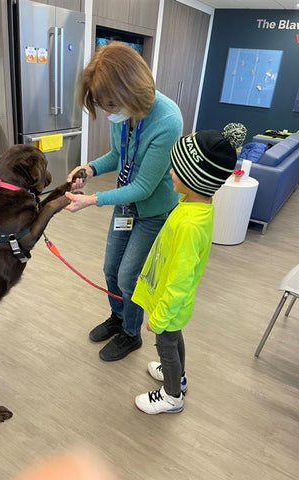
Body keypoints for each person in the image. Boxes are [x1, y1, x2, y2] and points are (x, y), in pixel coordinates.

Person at [65, 42, 183, 362]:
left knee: (129, 275)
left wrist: (93, 199)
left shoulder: (167, 121)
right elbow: (118, 155)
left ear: (131, 91)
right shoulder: (123, 113)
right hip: (126, 205)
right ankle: (118, 317)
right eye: (104, 105)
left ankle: (131, 333)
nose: (107, 112)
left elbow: (144, 187)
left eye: (110, 104)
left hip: (153, 210)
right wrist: (90, 168)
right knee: (110, 268)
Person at [132, 122, 247, 414]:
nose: (171, 171)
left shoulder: (189, 224)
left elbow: (180, 280)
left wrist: (159, 316)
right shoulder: (195, 206)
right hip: (174, 305)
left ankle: (172, 396)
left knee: (166, 343)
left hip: (170, 303)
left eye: (176, 168)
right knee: (174, 337)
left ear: (195, 178)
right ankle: (178, 379)